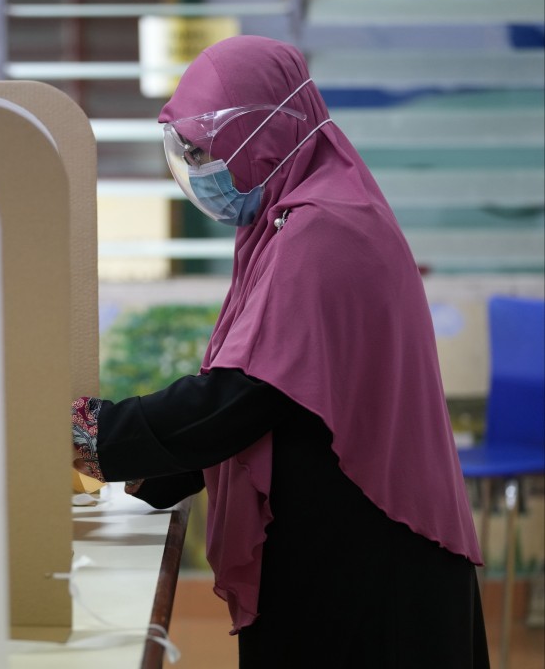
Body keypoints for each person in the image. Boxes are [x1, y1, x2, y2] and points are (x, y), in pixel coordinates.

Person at [71, 36, 489, 668]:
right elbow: (268, 389)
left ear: (260, 135)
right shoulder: (292, 222)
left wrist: (88, 435)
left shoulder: (324, 231)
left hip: (368, 552)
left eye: (204, 149)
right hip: (339, 531)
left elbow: (247, 394)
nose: (196, 166)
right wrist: (146, 481)